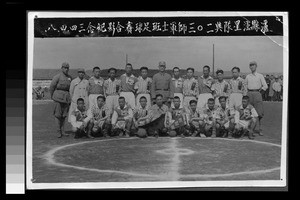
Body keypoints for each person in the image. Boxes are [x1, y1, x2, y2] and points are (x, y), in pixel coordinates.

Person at [244, 61, 268, 136]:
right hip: (249, 94)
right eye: (250, 65)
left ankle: (260, 129)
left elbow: (265, 86)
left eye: (253, 65)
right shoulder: (248, 76)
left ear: (256, 66)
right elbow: (245, 85)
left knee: (259, 113)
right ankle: (250, 129)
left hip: (257, 93)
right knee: (249, 112)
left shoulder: (260, 76)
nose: (252, 67)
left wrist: (260, 93)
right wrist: (246, 94)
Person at [49, 62, 72, 138]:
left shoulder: (70, 77)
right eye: (65, 68)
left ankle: (63, 131)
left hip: (66, 99)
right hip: (58, 98)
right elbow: (52, 87)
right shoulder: (57, 77)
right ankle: (58, 131)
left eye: (67, 68)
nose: (66, 69)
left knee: (64, 116)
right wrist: (52, 96)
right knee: (58, 115)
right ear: (61, 68)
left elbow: (70, 88)